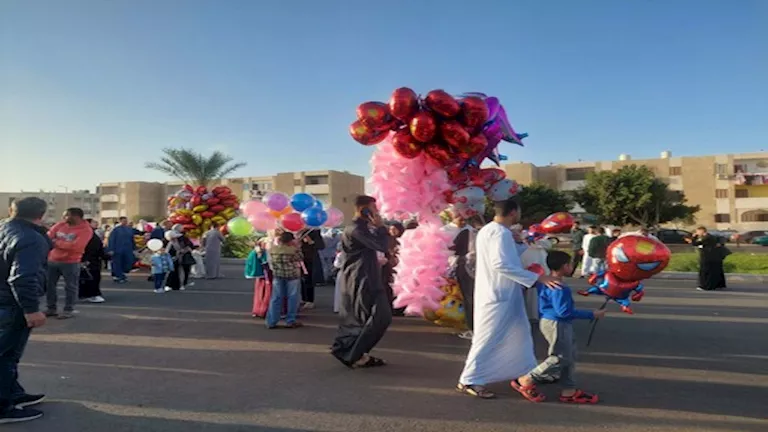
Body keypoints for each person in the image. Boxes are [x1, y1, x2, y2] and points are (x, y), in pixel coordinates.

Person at [456, 198, 562, 400]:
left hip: (503, 293)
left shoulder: (492, 230)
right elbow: (501, 264)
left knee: (520, 334)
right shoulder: (498, 232)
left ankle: (526, 373)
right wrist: (538, 278)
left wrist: (522, 243)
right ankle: (470, 378)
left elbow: (508, 257)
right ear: (514, 212)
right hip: (497, 294)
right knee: (487, 337)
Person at [519, 250, 605, 404]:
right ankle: (527, 379)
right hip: (557, 323)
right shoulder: (559, 287)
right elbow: (564, 312)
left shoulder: (546, 281)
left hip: (552, 322)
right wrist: (592, 314)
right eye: (570, 264)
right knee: (559, 358)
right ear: (565, 266)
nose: (572, 266)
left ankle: (569, 390)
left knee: (569, 356)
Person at [0, 197, 51, 423]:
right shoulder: (30, 238)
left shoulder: (4, 229)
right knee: (6, 355)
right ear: (41, 214)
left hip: (5, 301)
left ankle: (13, 393)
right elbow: (22, 277)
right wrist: (31, 309)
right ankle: (3, 407)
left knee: (6, 354)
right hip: (11, 304)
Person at [331, 195, 392, 369]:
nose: (377, 211)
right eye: (374, 208)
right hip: (360, 279)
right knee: (362, 318)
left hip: (370, 276)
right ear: (364, 209)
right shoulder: (355, 229)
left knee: (381, 317)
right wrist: (381, 228)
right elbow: (380, 245)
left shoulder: (364, 228)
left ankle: (355, 352)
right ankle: (349, 352)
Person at [45, 208, 93, 319]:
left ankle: (68, 309)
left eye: (67, 215)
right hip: (52, 260)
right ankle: (51, 308)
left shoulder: (86, 230)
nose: (64, 218)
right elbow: (48, 238)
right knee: (49, 285)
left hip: (71, 262)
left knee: (70, 287)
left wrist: (56, 242)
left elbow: (77, 246)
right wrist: (64, 244)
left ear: (77, 217)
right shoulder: (60, 225)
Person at [266, 232, 304, 329]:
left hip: (278, 275)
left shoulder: (272, 249)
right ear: (290, 240)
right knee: (292, 298)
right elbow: (300, 258)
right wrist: (298, 247)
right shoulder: (293, 250)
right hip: (292, 275)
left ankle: (271, 321)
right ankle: (290, 320)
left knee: (276, 298)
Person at [688, 226, 727, 291]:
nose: (697, 233)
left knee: (705, 272)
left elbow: (695, 243)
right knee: (712, 272)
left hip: (707, 257)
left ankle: (705, 286)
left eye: (698, 231)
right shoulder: (709, 237)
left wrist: (694, 237)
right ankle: (715, 285)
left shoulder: (707, 237)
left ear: (702, 231)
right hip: (712, 257)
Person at [78, 218, 107, 303]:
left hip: (93, 259)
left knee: (90, 277)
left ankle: (86, 294)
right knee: (92, 277)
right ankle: (92, 295)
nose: (96, 223)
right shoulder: (86, 234)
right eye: (94, 222)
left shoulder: (91, 233)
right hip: (89, 260)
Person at [300, 229, 325, 310]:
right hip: (298, 258)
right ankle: (303, 298)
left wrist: (311, 241)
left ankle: (310, 300)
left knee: (308, 279)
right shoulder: (296, 232)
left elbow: (321, 246)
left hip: (310, 259)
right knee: (301, 280)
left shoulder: (314, 232)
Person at [383, 222, 405, 316]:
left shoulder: (403, 239)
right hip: (388, 267)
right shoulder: (386, 240)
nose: (393, 231)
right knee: (389, 287)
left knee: (400, 288)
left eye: (395, 229)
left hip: (401, 267)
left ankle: (400, 308)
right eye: (391, 229)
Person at [107, 217, 135, 284]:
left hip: (128, 249)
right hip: (117, 249)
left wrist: (134, 248)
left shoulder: (129, 229)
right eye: (123, 221)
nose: (124, 222)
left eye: (125, 221)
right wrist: (111, 249)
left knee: (128, 262)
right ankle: (119, 276)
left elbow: (132, 239)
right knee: (117, 263)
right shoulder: (116, 230)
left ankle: (121, 274)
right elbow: (111, 239)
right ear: (120, 221)